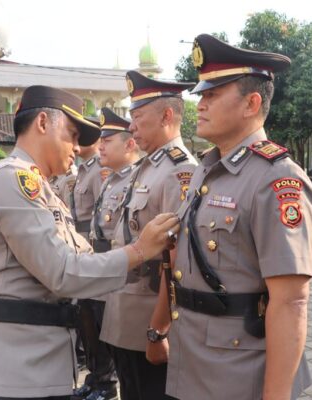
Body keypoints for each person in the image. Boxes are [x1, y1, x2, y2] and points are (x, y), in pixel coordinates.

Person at [0, 85, 179, 400]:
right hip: (9, 372)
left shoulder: (42, 189)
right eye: (71, 135)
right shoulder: (12, 180)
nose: (77, 148)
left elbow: (82, 259)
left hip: (36, 367)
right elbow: (62, 272)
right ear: (43, 123)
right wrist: (139, 250)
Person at [149, 33, 312, 400]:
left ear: (251, 103)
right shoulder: (206, 170)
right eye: (202, 95)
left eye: (212, 95)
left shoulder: (277, 178)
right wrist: (158, 330)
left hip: (241, 372)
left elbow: (291, 302)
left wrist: (276, 396)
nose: (200, 105)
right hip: (194, 356)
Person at [100, 71, 197, 400]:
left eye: (138, 117)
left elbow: (177, 260)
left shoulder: (180, 171)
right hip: (124, 313)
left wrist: (159, 330)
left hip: (147, 321)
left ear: (167, 115)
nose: (131, 127)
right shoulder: (148, 166)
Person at [73, 107, 139, 400]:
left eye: (107, 141)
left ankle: (106, 382)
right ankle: (99, 380)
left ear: (129, 144)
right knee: (92, 328)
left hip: (116, 267)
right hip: (96, 262)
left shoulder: (133, 179)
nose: (101, 146)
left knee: (109, 337)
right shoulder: (111, 178)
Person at [72, 140, 107, 240]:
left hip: (90, 240)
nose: (75, 143)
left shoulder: (99, 168)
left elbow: (102, 213)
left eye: (82, 138)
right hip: (80, 237)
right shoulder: (84, 168)